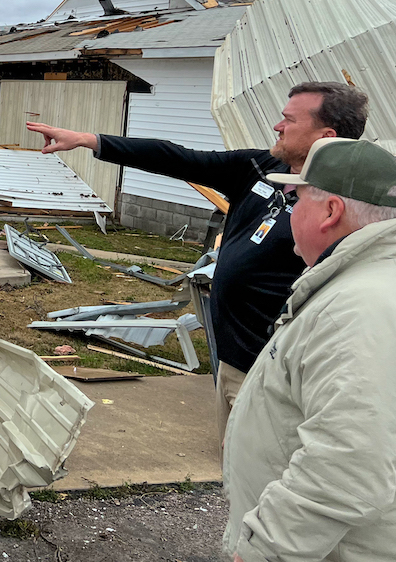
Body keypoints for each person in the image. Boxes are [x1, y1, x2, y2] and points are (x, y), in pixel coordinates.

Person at [26, 81, 368, 448]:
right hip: (232, 360)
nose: (277, 126)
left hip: (277, 371)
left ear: (326, 135)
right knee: (237, 474)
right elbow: (176, 157)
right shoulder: (261, 168)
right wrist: (89, 140)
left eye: (289, 120)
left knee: (268, 476)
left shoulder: (346, 204)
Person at [224, 137, 396, 562]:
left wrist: (266, 547)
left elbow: (346, 465)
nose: (289, 214)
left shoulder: (365, 309)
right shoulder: (394, 284)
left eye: (295, 199)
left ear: (330, 212)